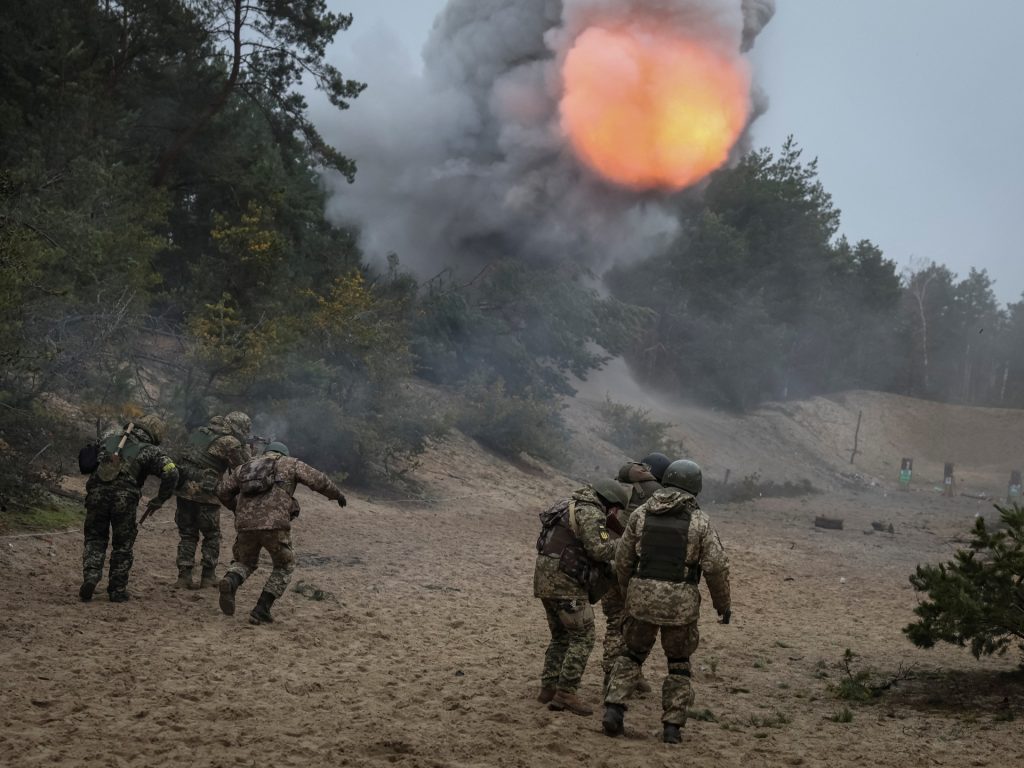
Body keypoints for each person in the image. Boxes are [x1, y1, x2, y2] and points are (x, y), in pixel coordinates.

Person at [602, 459, 732, 744]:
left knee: (631, 654)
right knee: (679, 663)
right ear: (695, 487)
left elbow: (623, 560)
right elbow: (716, 567)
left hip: (641, 599)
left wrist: (629, 592)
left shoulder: (641, 513)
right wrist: (722, 605)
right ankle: (672, 727)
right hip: (680, 605)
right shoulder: (700, 521)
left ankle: (613, 710)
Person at [215, 442, 347, 625]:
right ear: (283, 453)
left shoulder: (244, 467)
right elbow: (318, 479)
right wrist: (337, 494)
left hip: (245, 526)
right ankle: (261, 609)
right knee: (284, 566)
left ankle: (230, 581)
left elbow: (222, 491)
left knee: (244, 562)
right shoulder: (290, 463)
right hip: (275, 526)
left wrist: (238, 510)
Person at [533, 479, 629, 716]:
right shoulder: (591, 513)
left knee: (560, 636)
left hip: (545, 579)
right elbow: (600, 549)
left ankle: (548, 688)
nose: (615, 513)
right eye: (616, 508)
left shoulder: (567, 504)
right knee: (584, 636)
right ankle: (566, 693)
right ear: (609, 503)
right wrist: (625, 545)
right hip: (567, 581)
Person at [79, 414, 179, 603]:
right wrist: (160, 499)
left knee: (94, 539)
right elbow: (172, 471)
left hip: (96, 494)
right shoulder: (150, 450)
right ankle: (117, 590)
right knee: (123, 545)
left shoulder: (110, 436)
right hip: (124, 500)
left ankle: (91, 578)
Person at [600, 452, 672, 691]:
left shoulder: (625, 483)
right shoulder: (656, 492)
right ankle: (616, 677)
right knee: (636, 625)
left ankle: (628, 674)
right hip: (634, 566)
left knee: (616, 621)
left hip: (609, 558)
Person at [173, 411, 252, 589]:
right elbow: (244, 469)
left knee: (187, 534)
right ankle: (208, 576)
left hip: (183, 489)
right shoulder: (230, 442)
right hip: (205, 494)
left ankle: (184, 576)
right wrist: (247, 449)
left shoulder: (200, 432)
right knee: (212, 535)